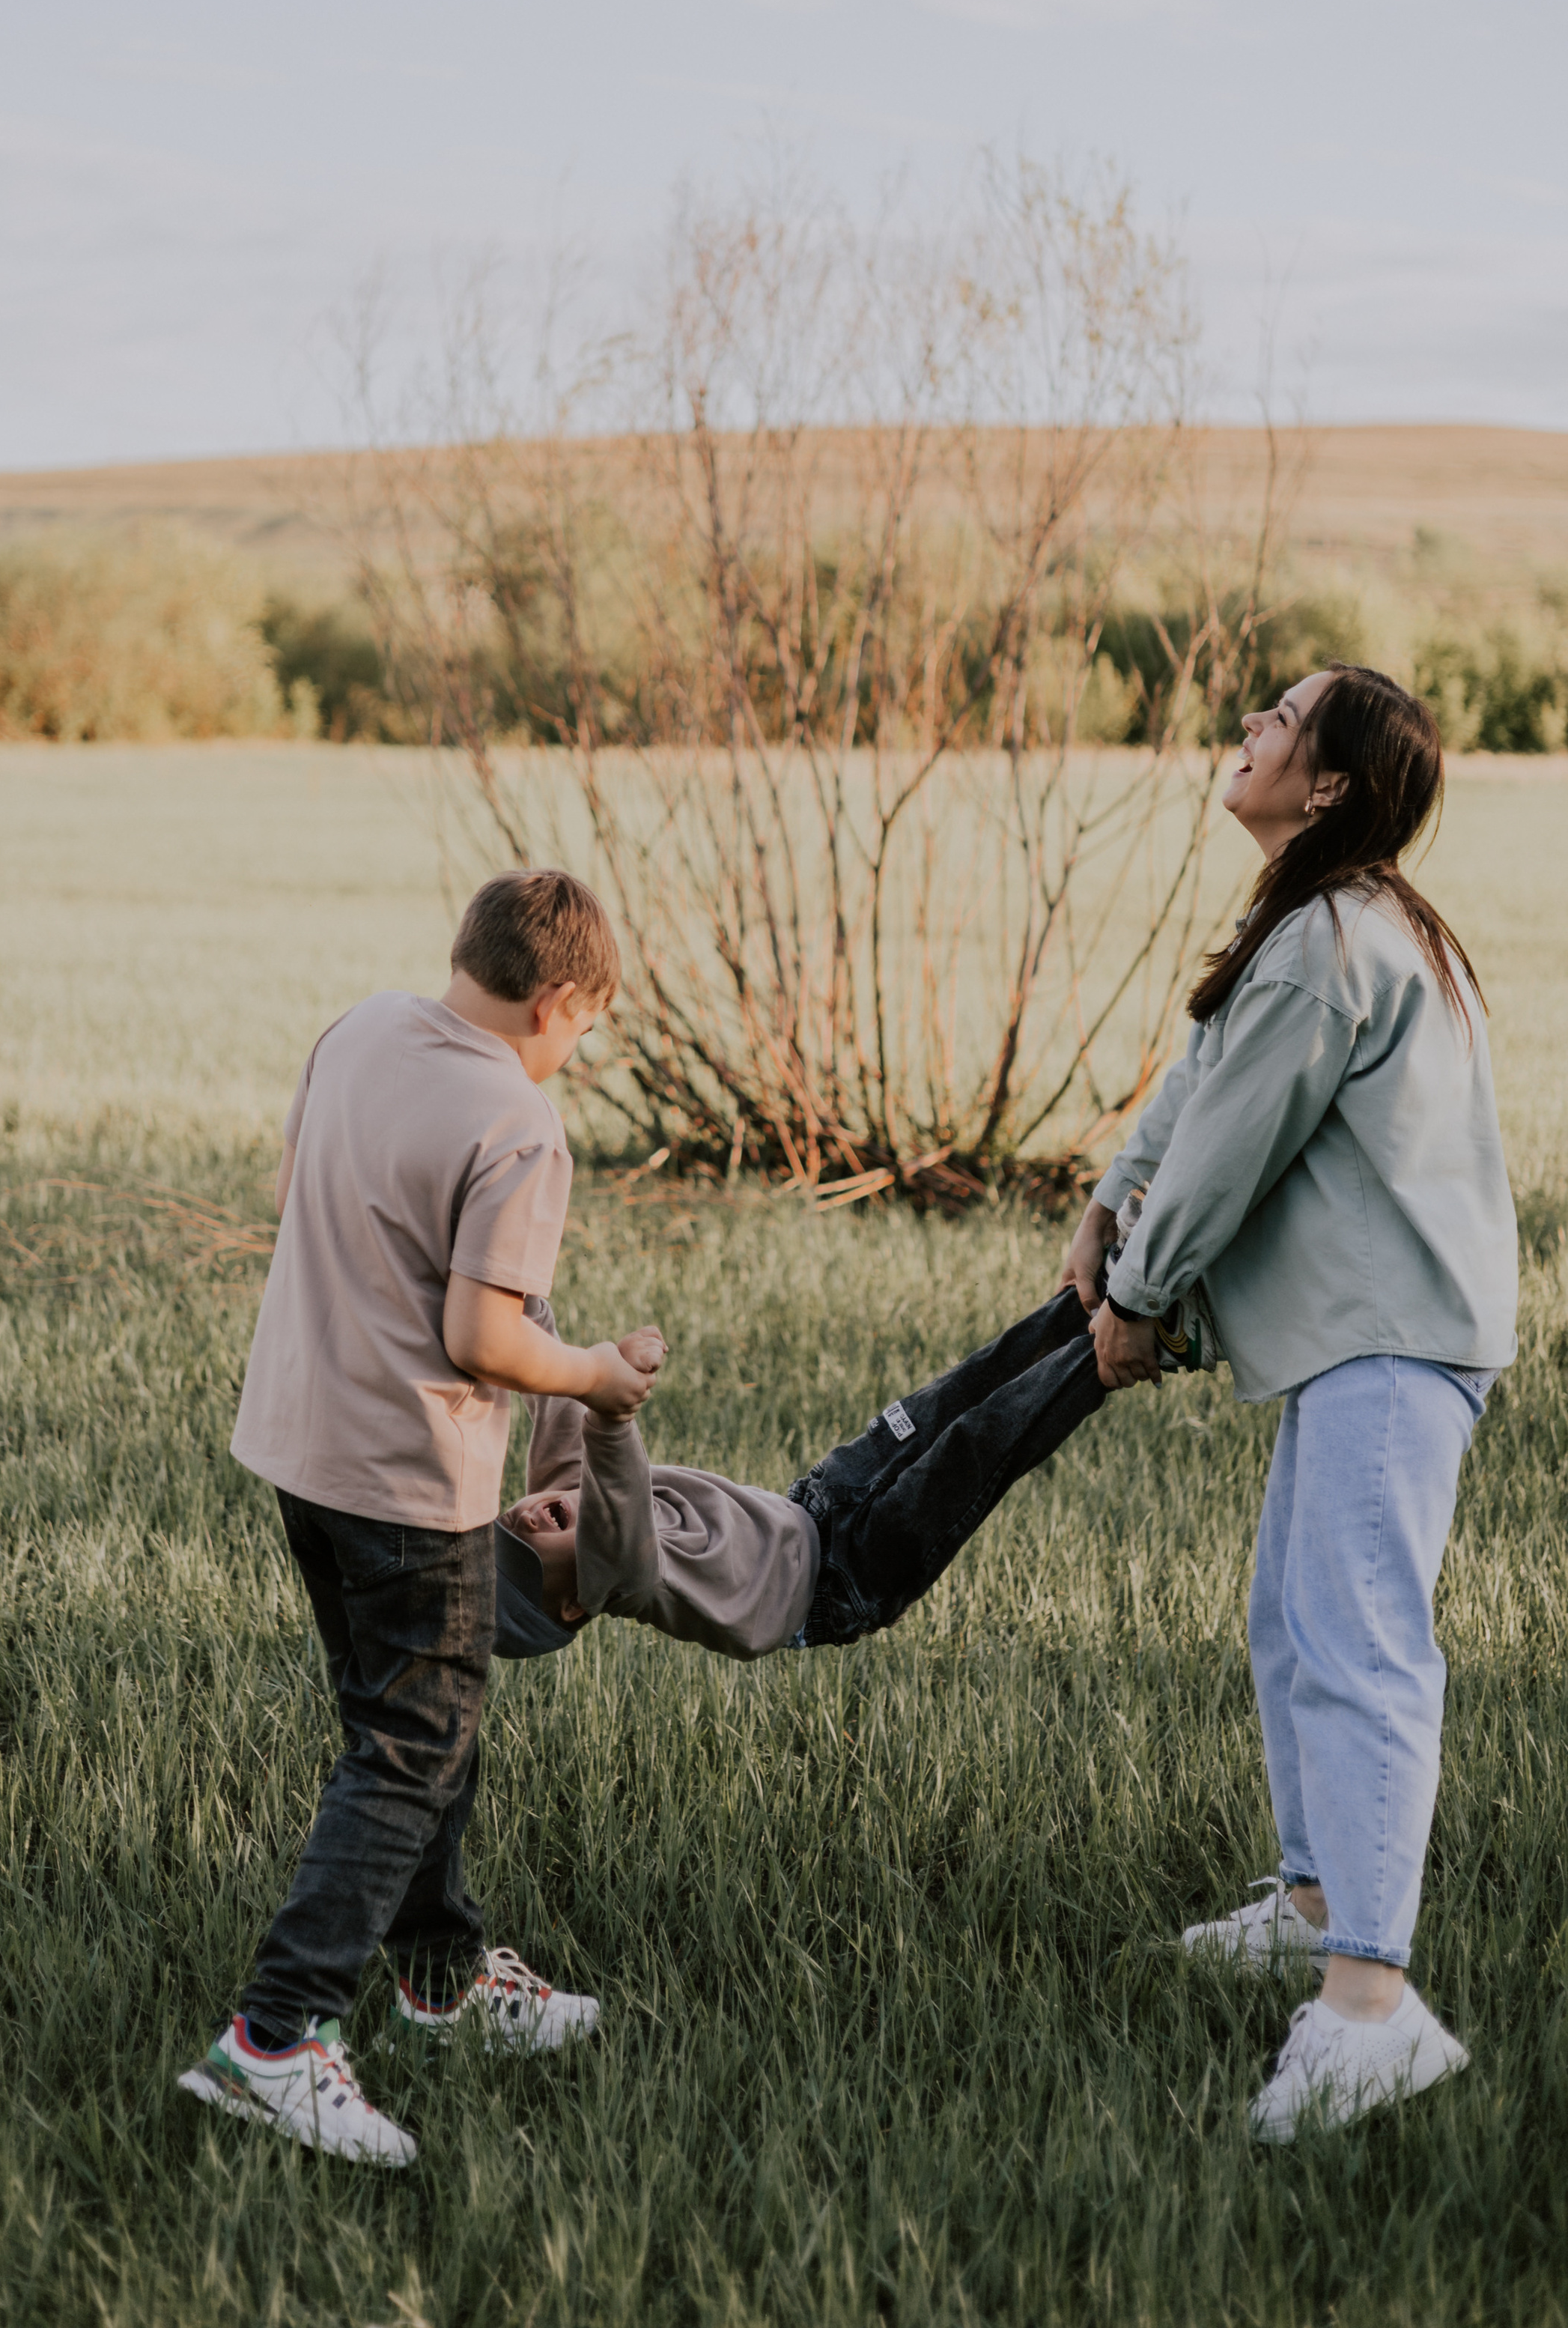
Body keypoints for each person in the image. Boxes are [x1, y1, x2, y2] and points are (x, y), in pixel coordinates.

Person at [1059, 665, 1516, 2143]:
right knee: (1289, 1617)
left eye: (1277, 720)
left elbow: (1238, 1138)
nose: (1247, 729)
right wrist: (1113, 1196)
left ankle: (1369, 2007)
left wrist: (1137, 1300)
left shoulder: (1335, 939)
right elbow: (1204, 1081)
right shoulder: (1309, 925)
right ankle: (1313, 1898)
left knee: (1357, 1643)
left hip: (1394, 1342)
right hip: (1362, 1341)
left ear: (1323, 785)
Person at [177, 871, 665, 2167]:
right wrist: (599, 1376)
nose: (579, 1052)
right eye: (586, 1027)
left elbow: (300, 1203)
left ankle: (441, 1985)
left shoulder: (358, 1032)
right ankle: (274, 2041)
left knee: (405, 1725)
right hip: (407, 1482)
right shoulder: (517, 1123)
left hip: (298, 1449)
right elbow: (483, 1334)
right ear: (556, 1000)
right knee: (411, 1747)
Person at [496, 1285, 1121, 1663]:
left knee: (962, 1390)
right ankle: (1123, 1340)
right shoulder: (617, 1579)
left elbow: (551, 1386)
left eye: (504, 1524)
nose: (524, 1520)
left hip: (821, 1502)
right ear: (576, 1604)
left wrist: (510, 1292)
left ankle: (1097, 1293)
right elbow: (616, 1488)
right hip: (848, 1578)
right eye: (526, 1551)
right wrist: (614, 1406)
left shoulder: (557, 1488)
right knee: (980, 1444)